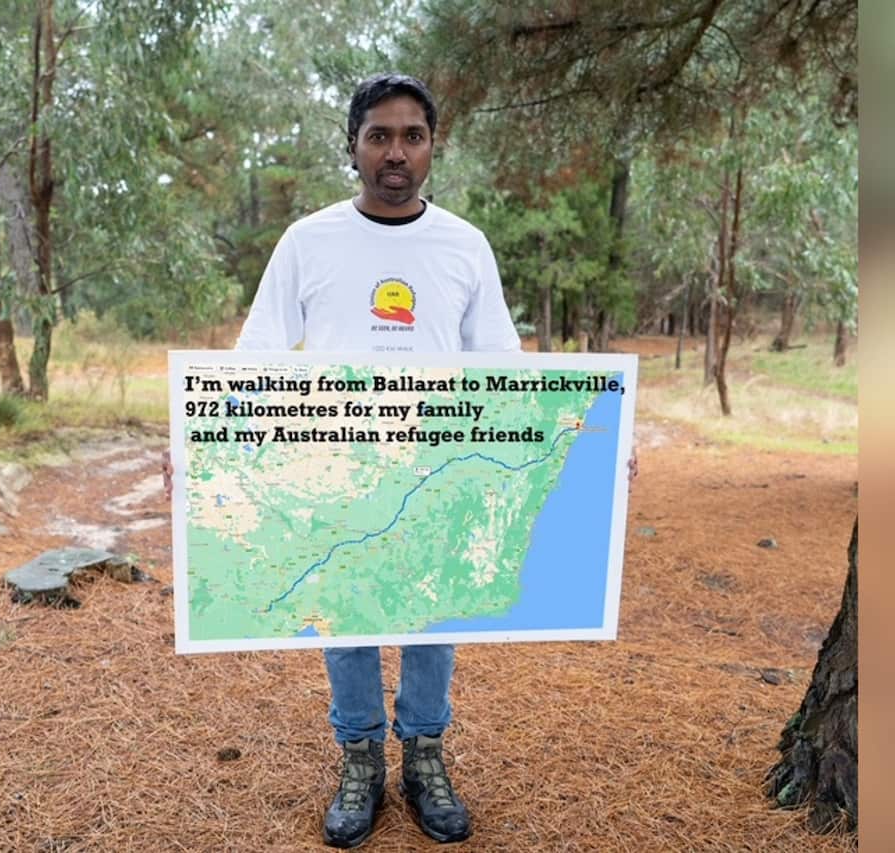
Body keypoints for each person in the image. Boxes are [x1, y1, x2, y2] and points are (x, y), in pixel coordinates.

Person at [164, 72, 635, 848]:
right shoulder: (307, 241)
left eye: (412, 136)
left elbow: (508, 374)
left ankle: (424, 756)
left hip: (437, 473)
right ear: (353, 146)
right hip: (336, 472)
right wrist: (198, 449)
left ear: (431, 147)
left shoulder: (464, 245)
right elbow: (253, 361)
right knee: (344, 614)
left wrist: (596, 451)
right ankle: (360, 759)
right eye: (378, 135)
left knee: (432, 618)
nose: (395, 151)